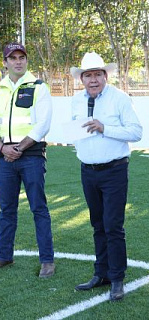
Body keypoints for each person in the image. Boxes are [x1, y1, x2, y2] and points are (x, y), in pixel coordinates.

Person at [70, 52, 142, 301]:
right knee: (97, 225)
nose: (93, 80)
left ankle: (117, 278)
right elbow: (74, 128)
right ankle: (101, 274)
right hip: (88, 171)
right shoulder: (76, 100)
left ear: (105, 76)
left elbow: (136, 132)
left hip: (114, 170)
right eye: (87, 75)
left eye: (97, 74)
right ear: (81, 79)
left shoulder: (120, 99)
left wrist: (104, 128)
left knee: (113, 226)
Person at [0, 42, 55, 278]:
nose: (18, 61)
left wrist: (18, 148)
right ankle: (4, 255)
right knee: (6, 209)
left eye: (22, 57)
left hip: (31, 156)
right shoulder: (0, 88)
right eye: (13, 58)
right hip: (4, 157)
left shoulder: (39, 87)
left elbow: (44, 123)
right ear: (5, 62)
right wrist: (3, 148)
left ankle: (47, 261)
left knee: (38, 208)